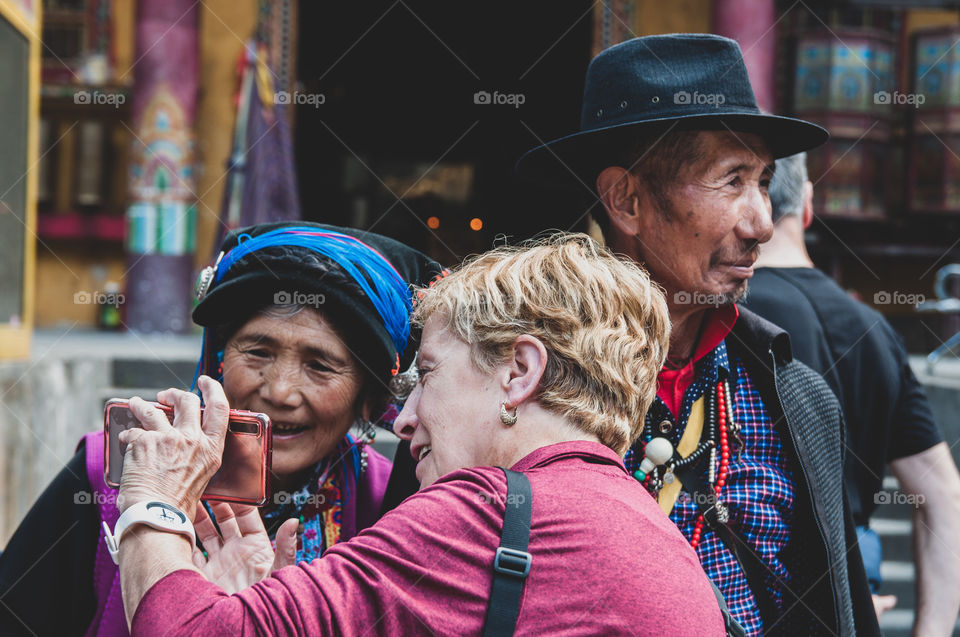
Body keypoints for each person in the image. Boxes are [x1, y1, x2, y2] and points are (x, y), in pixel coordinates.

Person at [112, 234, 727, 635]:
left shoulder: (487, 512)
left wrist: (153, 498)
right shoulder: (641, 522)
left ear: (519, 373)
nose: (403, 420)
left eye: (427, 375)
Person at [515, 34, 879, 636]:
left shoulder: (797, 398)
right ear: (626, 200)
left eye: (763, 181)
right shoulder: (515, 387)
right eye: (732, 180)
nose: (762, 222)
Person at [0, 222, 443, 636]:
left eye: (320, 365)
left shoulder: (389, 506)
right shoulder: (110, 475)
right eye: (258, 352)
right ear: (219, 361)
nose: (281, 391)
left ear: (369, 395)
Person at [741, 152, 960, 633]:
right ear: (808, 206)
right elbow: (942, 491)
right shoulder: (875, 329)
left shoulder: (723, 317)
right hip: (855, 591)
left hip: (755, 592)